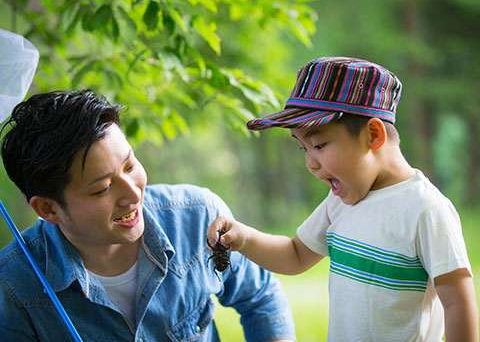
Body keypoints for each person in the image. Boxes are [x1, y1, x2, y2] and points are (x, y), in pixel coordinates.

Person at [207, 57, 479, 341]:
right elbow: (295, 255)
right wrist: (245, 238)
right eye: (303, 149)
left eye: (319, 145)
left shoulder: (425, 209)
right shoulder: (339, 201)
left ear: (374, 135)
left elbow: (457, 301)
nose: (311, 163)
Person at [0, 90, 296, 342]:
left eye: (129, 166)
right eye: (102, 188)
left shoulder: (199, 216)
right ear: (48, 209)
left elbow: (260, 297)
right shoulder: (13, 286)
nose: (133, 194)